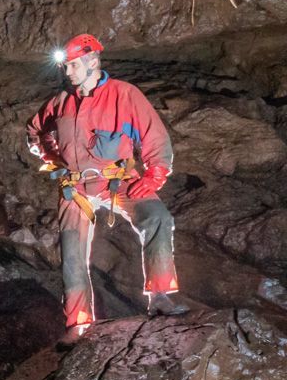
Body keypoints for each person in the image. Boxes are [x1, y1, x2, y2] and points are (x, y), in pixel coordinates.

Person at [25, 33, 184, 337]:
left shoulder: (124, 95)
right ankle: (78, 323)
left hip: (117, 180)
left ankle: (159, 297)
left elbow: (154, 136)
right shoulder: (61, 102)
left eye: (73, 65)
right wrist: (52, 156)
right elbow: (35, 131)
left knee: (157, 217)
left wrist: (154, 175)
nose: (68, 72)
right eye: (65, 66)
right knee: (72, 251)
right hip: (75, 188)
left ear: (93, 61)